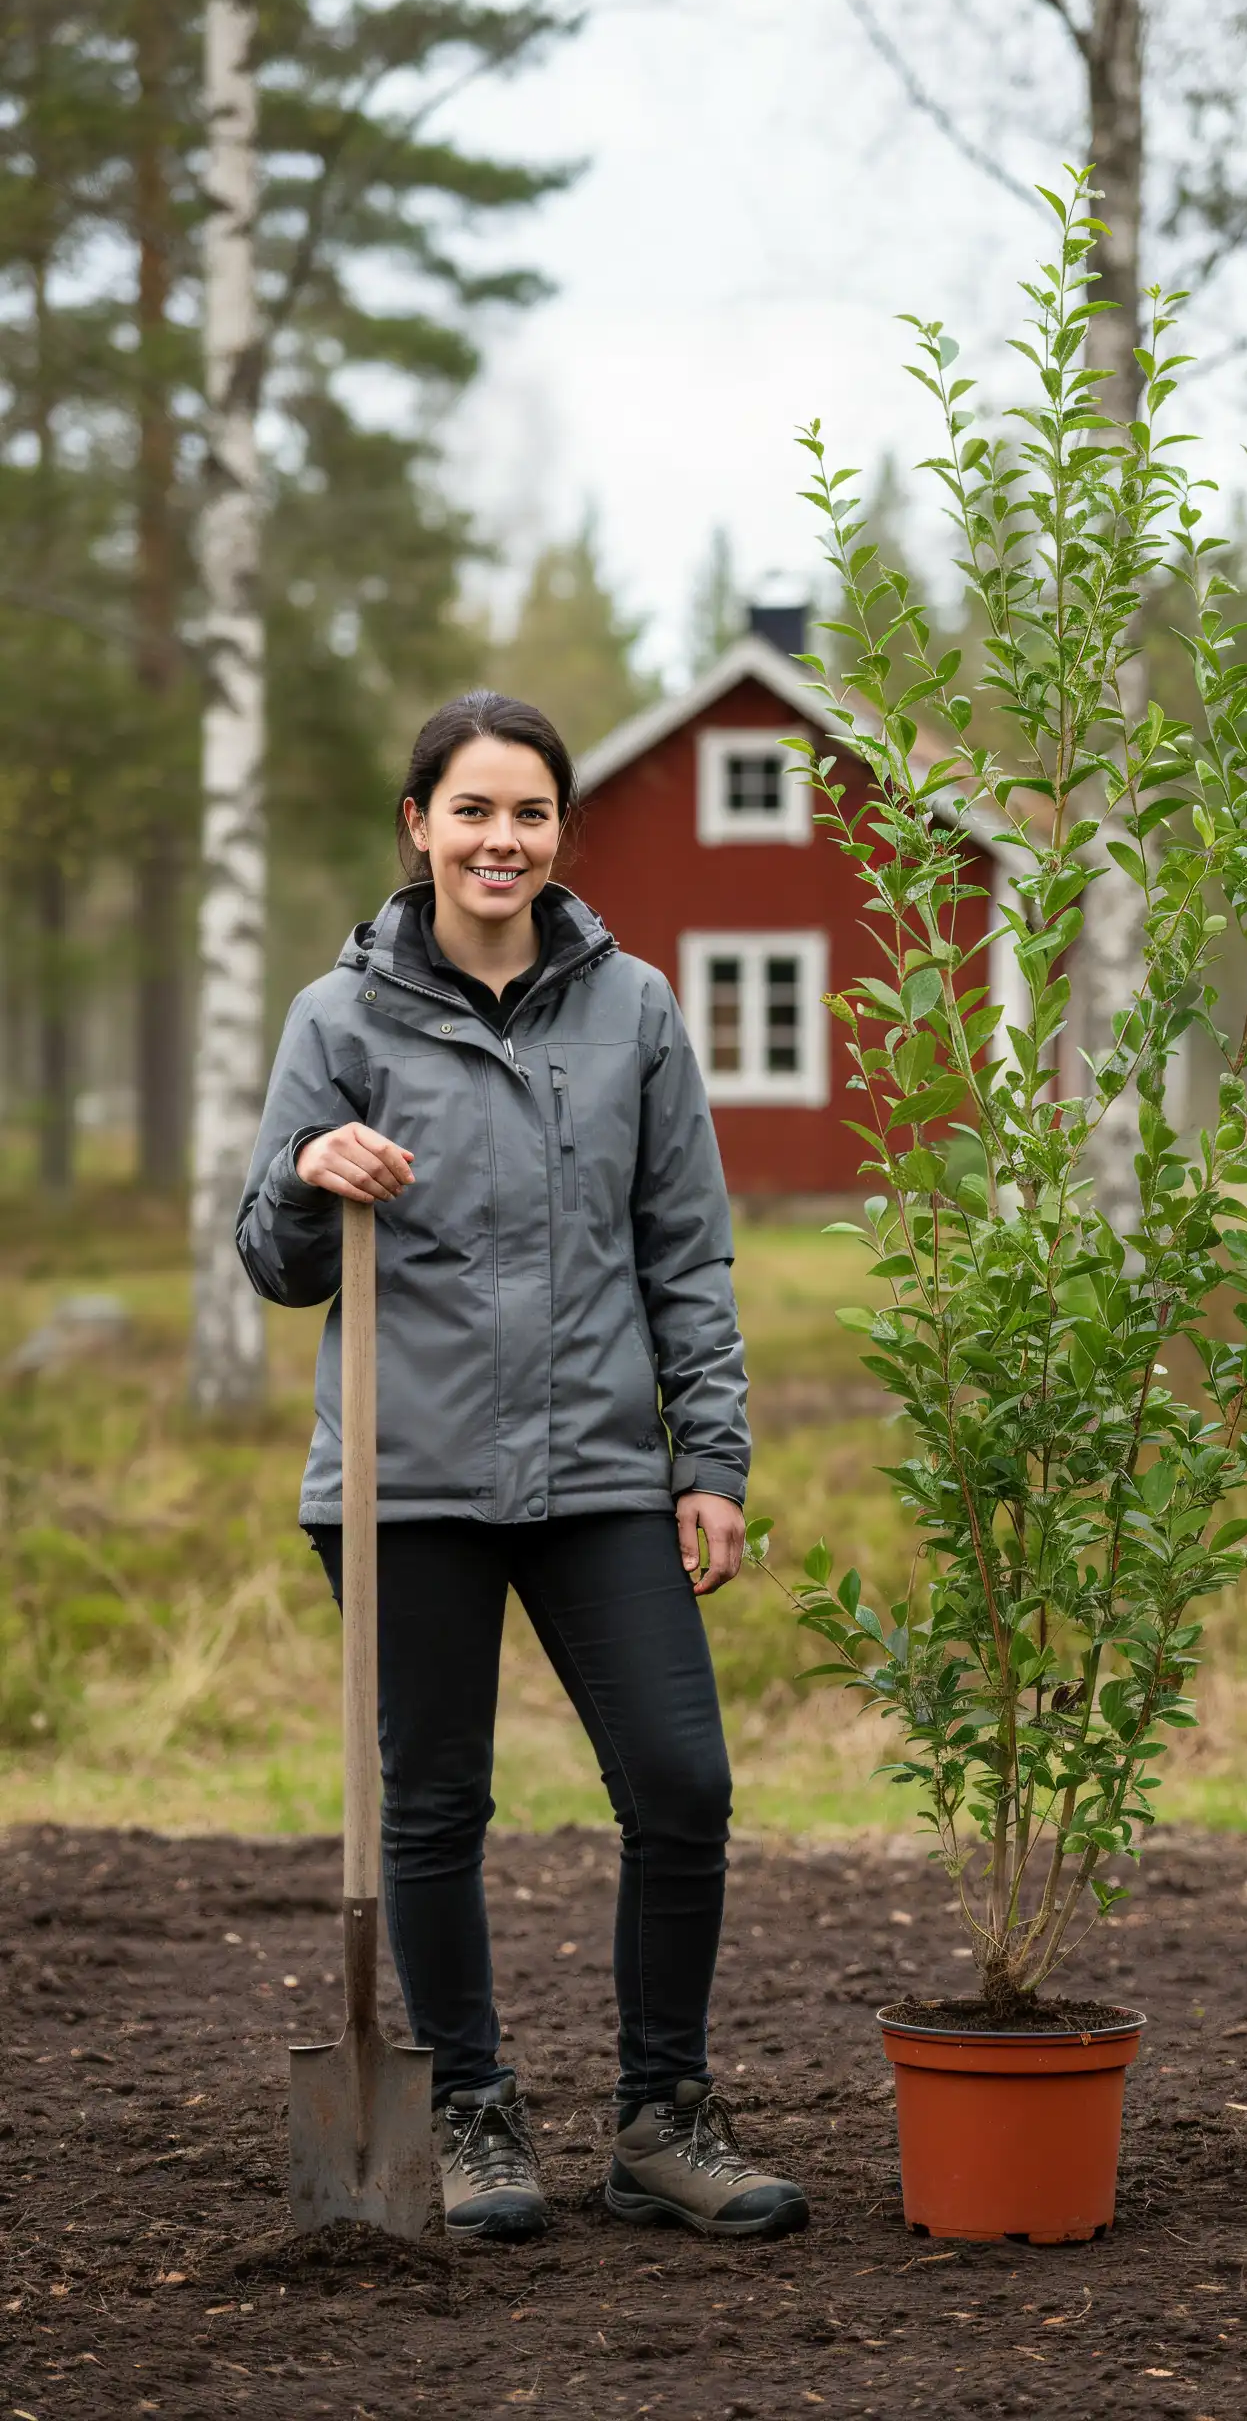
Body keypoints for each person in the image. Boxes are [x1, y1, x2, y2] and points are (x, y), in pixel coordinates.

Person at [237, 689, 808, 2244]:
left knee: (683, 1786)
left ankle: (660, 2119)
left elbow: (686, 1250)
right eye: (474, 811)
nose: (505, 841)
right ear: (417, 826)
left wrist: (715, 1459)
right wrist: (308, 1175)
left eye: (532, 813)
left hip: (606, 1470)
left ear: (562, 833)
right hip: (405, 1481)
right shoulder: (338, 1021)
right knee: (434, 1808)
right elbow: (274, 1265)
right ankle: (477, 2114)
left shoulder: (634, 1010)